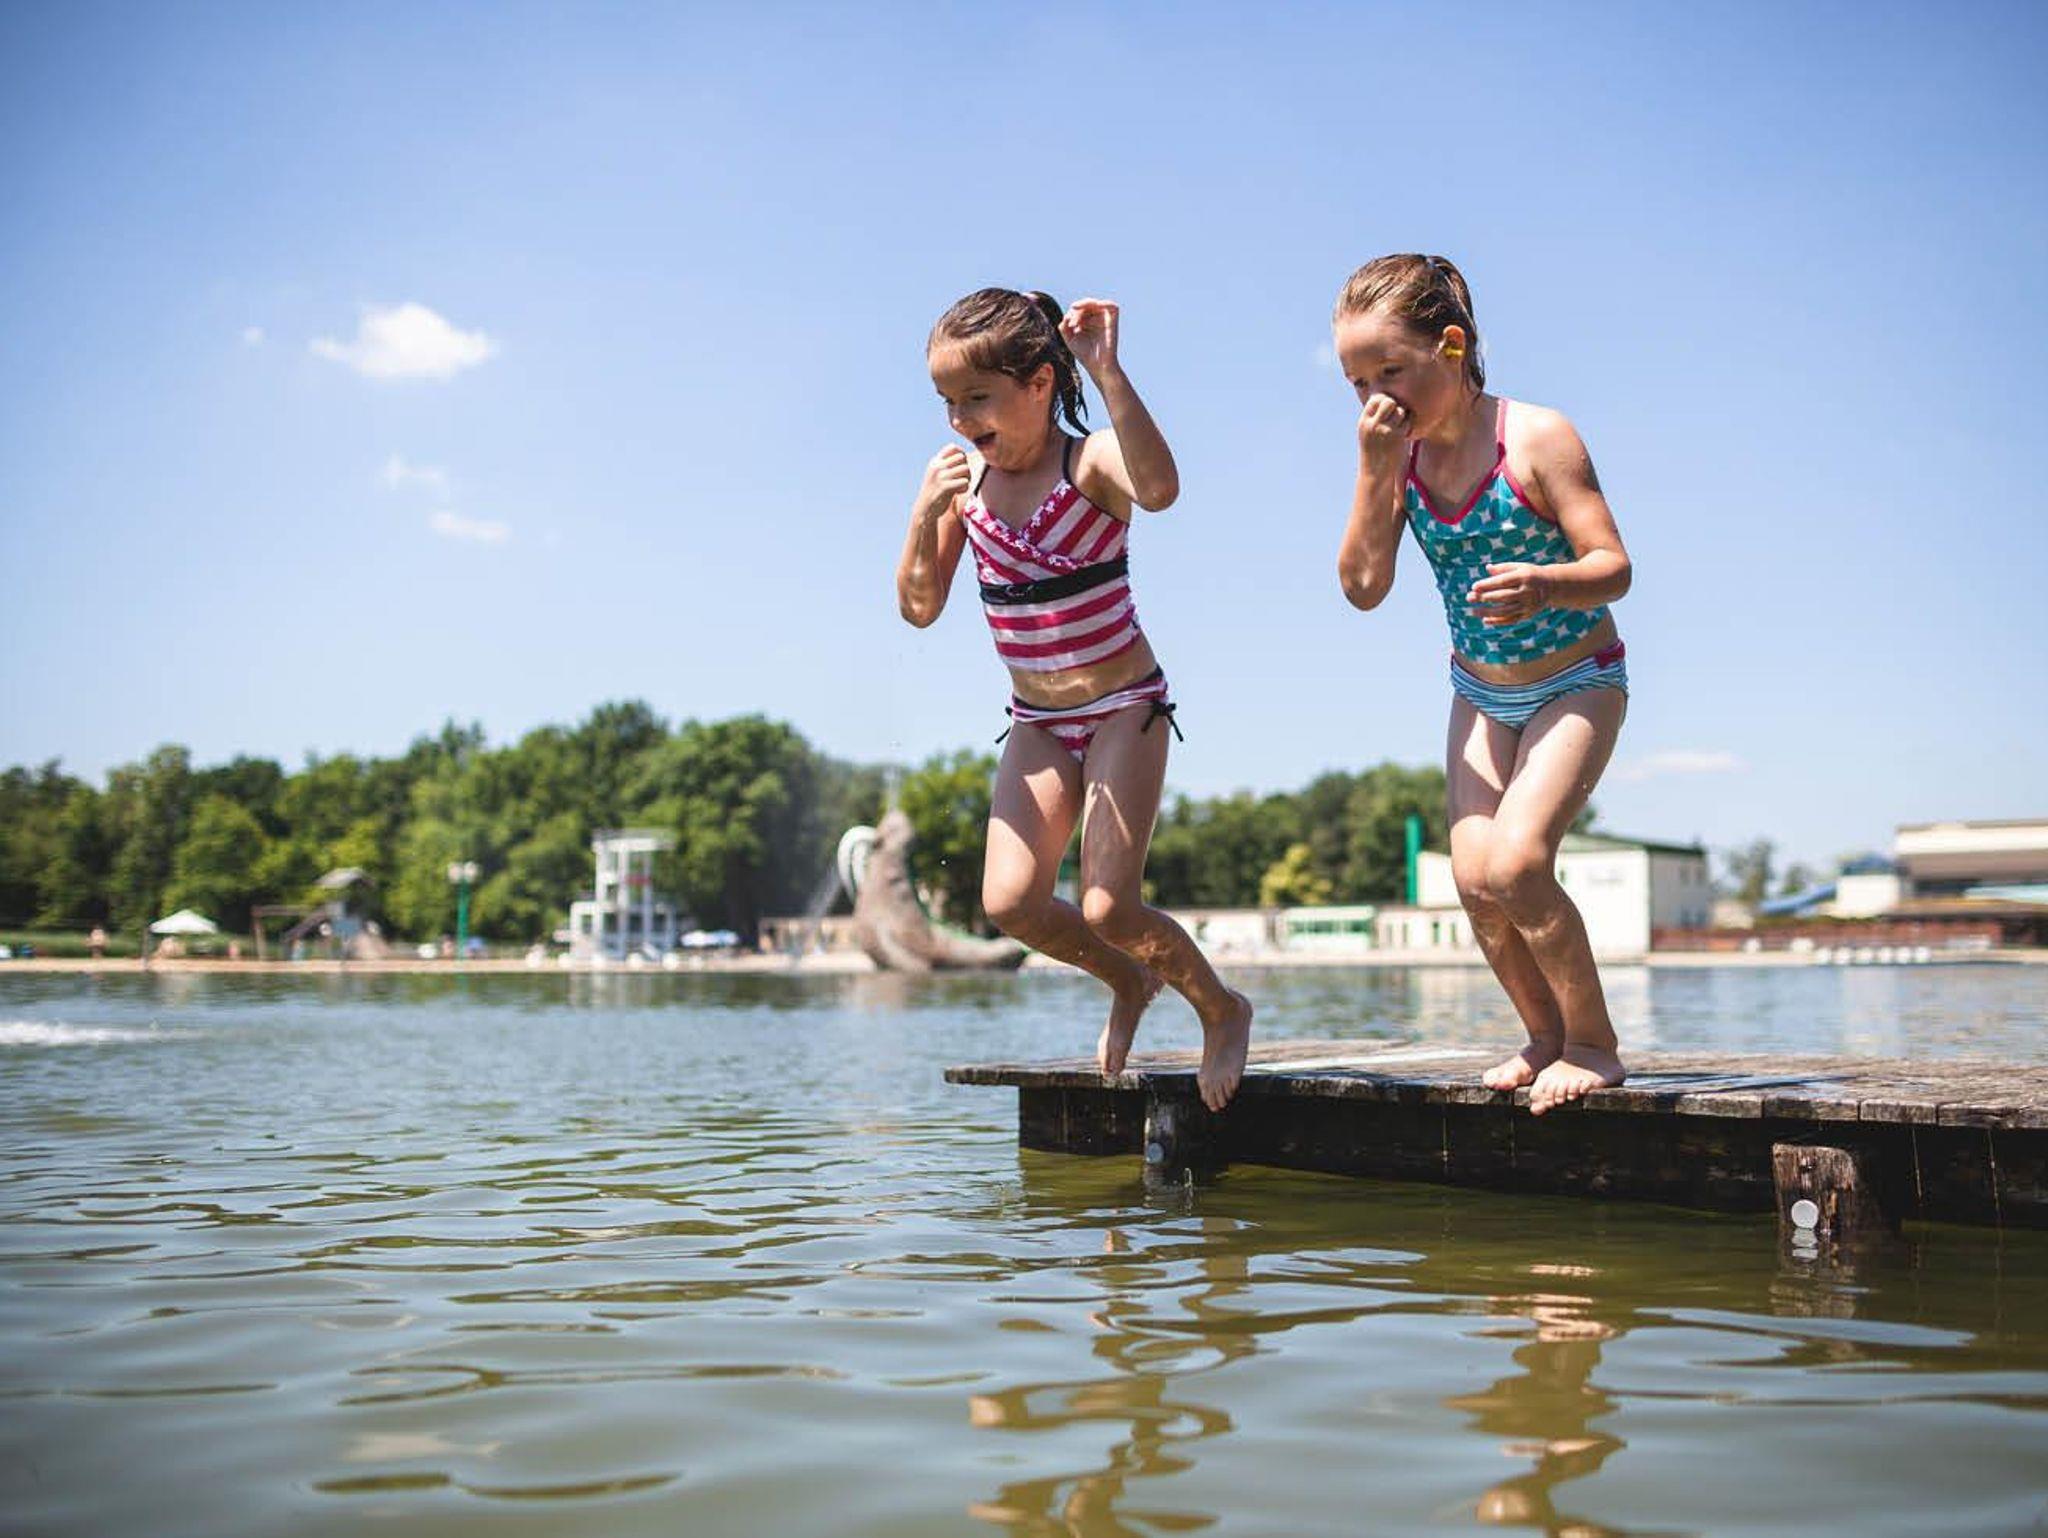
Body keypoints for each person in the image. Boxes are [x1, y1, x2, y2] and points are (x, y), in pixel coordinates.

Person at [897, 288, 1252, 1111]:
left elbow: (1160, 489)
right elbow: (918, 607)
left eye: (976, 397)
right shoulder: (965, 488)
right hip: (1037, 722)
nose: (960, 420)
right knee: (1009, 903)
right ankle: (1128, 981)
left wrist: (1108, 370)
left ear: (1040, 384)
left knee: (1108, 905)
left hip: (1124, 704)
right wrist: (922, 514)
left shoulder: (1087, 463)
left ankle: (1221, 1008)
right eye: (947, 402)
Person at [1331, 255, 1633, 1115]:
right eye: (1357, 383)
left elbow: (1613, 566)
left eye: (1391, 371)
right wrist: (1374, 469)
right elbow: (1362, 588)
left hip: (1577, 679)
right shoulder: (1398, 459)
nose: (1376, 398)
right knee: (1472, 878)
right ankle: (1543, 1035)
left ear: (1453, 346)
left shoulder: (1536, 438)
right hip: (1480, 693)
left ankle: (1593, 1044)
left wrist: (1548, 585)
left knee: (1519, 863)